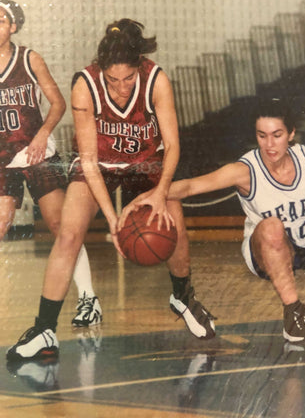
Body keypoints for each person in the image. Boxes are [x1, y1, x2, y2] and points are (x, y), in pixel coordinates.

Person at [6, 18, 215, 362]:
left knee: (171, 215)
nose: (120, 88)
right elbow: (87, 160)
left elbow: (173, 146)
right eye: (112, 79)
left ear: (140, 67)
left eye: (128, 78)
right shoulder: (85, 84)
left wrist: (161, 193)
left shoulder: (156, 80)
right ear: (101, 69)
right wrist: (113, 219)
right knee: (68, 234)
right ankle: (44, 329)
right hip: (99, 164)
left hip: (144, 162)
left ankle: (182, 296)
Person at [121, 97, 305, 343]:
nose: (269, 144)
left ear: (291, 133)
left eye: (277, 135)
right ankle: (294, 314)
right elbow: (191, 186)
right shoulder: (245, 170)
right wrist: (146, 197)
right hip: (269, 247)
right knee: (272, 227)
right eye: (262, 135)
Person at [0, 0, 102, 329]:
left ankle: (88, 298)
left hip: (35, 151)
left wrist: (43, 134)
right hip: (2, 157)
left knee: (62, 227)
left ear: (13, 27)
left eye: (1, 20)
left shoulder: (29, 59)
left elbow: (58, 102)